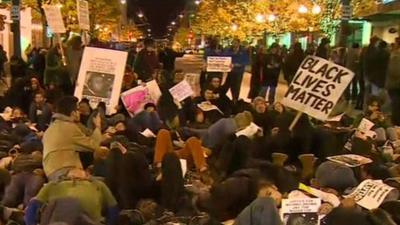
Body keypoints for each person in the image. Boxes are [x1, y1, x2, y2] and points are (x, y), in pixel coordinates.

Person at [24, 168, 118, 225]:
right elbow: (113, 208)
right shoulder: (53, 184)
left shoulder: (98, 184)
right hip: (83, 220)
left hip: (67, 220)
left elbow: (32, 206)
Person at [42, 96, 103, 181]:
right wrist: (98, 126)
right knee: (105, 182)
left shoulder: (50, 129)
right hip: (66, 172)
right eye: (78, 109)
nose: (80, 112)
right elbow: (94, 144)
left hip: (51, 173)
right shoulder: (69, 127)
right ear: (73, 113)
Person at [386, 37, 400, 126]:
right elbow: (394, 71)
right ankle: (397, 125)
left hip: (395, 85)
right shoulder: (396, 56)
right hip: (395, 86)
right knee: (396, 106)